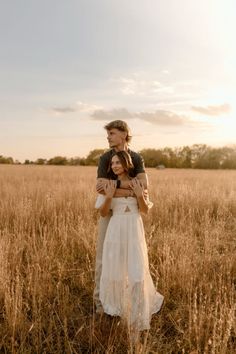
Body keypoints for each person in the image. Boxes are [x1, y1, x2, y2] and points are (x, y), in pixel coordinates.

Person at [98, 151, 164, 336]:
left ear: (127, 164)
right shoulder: (109, 185)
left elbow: (145, 211)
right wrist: (109, 196)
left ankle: (136, 316)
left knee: (136, 273)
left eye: (118, 162)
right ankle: (117, 311)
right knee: (115, 272)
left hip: (134, 230)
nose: (115, 166)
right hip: (116, 230)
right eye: (112, 164)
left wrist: (139, 195)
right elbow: (103, 213)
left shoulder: (138, 184)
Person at [94, 120, 149, 313]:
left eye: (112, 133)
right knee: (104, 255)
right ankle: (101, 302)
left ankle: (128, 300)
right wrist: (129, 190)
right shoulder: (105, 158)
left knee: (132, 257)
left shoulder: (136, 157)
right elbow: (100, 187)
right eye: (108, 133)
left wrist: (115, 188)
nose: (108, 137)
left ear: (124, 134)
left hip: (130, 213)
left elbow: (144, 186)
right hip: (110, 209)